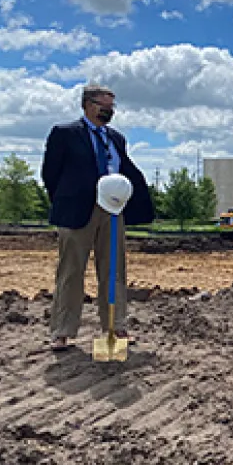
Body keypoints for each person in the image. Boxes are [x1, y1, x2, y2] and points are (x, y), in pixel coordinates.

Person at [41, 84, 154, 352]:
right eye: (105, 105)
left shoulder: (117, 138)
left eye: (112, 106)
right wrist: (66, 201)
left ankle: (115, 327)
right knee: (71, 272)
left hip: (112, 210)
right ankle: (62, 331)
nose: (110, 111)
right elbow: (50, 174)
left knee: (114, 270)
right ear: (88, 105)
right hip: (78, 211)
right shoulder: (64, 134)